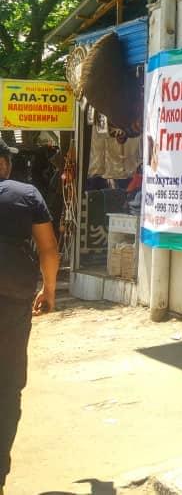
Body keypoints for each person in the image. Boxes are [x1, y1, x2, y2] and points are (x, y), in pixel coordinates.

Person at [0, 138, 59, 494]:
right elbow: (48, 248)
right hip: (13, 301)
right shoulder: (26, 195)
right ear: (3, 164)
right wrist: (49, 291)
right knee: (7, 389)